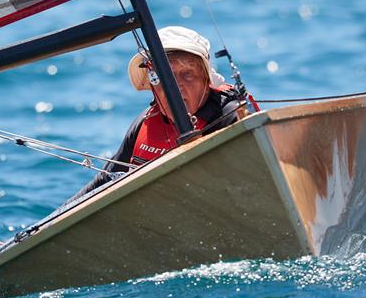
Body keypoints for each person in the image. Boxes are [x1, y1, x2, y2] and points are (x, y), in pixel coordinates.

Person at [68, 26, 243, 201]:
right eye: (165, 76)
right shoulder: (144, 123)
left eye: (187, 74)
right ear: (152, 83)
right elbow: (104, 182)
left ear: (206, 80)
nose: (176, 86)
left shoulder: (230, 116)